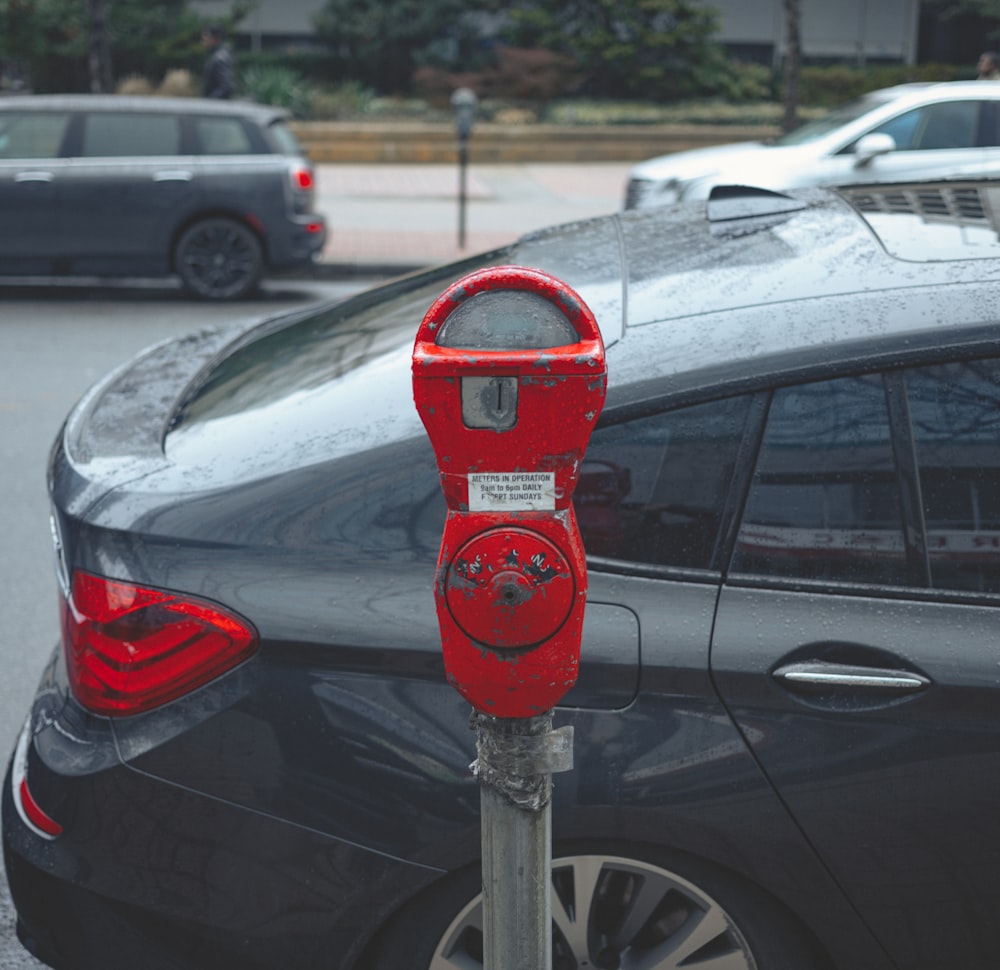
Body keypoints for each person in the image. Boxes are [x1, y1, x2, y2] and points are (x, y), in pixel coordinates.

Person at [202, 25, 235, 99]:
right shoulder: (217, 56)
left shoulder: (220, 58)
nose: (203, 38)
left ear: (215, 38)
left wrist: (209, 102)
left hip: (216, 108)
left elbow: (227, 87)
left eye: (206, 35)